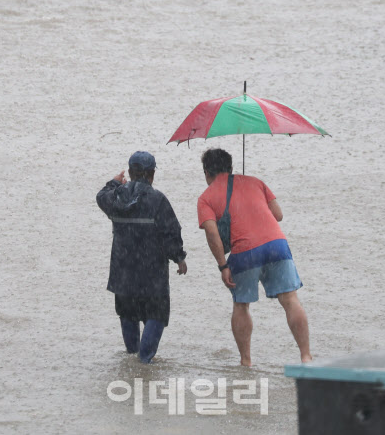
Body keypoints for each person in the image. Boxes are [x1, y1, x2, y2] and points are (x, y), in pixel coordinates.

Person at [197, 147, 312, 366]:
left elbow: (212, 233)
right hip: (276, 245)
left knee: (241, 305)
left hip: (245, 251)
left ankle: (246, 361)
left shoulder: (206, 198)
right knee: (290, 300)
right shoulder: (256, 182)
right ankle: (306, 356)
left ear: (206, 172)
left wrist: (223, 266)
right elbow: (278, 215)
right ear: (230, 167)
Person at [97, 150, 187, 364]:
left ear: (130, 172)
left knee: (127, 312)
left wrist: (113, 183)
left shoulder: (116, 197)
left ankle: (131, 360)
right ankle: (144, 362)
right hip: (152, 272)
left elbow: (100, 197)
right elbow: (171, 232)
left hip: (123, 271)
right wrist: (179, 258)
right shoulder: (157, 199)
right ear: (152, 174)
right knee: (156, 314)